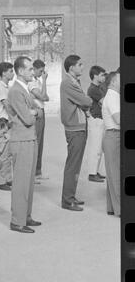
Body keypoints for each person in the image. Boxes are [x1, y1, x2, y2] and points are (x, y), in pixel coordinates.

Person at [7, 56, 42, 233]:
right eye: (29, 69)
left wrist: (34, 111)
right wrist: (35, 111)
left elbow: (35, 112)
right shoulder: (15, 91)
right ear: (20, 71)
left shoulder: (24, 89)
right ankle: (17, 221)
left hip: (29, 138)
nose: (32, 72)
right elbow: (29, 118)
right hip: (21, 140)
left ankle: (26, 216)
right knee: (21, 182)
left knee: (28, 182)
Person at [60, 54, 92, 212]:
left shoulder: (74, 81)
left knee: (76, 164)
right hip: (75, 128)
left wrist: (84, 101)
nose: (82, 67)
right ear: (71, 68)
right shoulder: (68, 83)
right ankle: (67, 200)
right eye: (80, 65)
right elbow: (86, 101)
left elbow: (83, 101)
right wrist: (86, 101)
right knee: (73, 165)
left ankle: (70, 195)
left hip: (79, 126)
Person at [102, 71, 120, 217]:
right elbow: (119, 119)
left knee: (113, 173)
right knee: (116, 174)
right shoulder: (112, 96)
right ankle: (121, 209)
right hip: (114, 135)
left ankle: (112, 207)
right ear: (113, 82)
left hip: (112, 135)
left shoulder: (113, 95)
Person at [28, 59, 49, 181]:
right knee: (35, 142)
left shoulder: (37, 81)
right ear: (34, 69)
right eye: (40, 71)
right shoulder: (31, 82)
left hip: (42, 112)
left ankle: (38, 172)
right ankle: (32, 173)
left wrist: (43, 94)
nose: (42, 74)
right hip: (36, 112)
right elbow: (43, 97)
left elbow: (46, 97)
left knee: (40, 143)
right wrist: (45, 81)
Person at [0, 62, 14, 191]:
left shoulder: (7, 87)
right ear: (3, 73)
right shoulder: (1, 88)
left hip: (8, 123)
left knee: (8, 153)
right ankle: (1, 182)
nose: (13, 73)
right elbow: (7, 105)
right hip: (3, 124)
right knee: (3, 153)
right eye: (10, 71)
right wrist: (16, 117)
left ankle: (7, 179)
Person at [87, 65, 107, 183]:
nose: (103, 77)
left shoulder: (98, 87)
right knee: (95, 148)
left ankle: (95, 171)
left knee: (99, 148)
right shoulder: (93, 89)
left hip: (99, 120)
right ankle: (92, 173)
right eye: (101, 75)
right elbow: (104, 102)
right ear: (95, 76)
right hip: (96, 120)